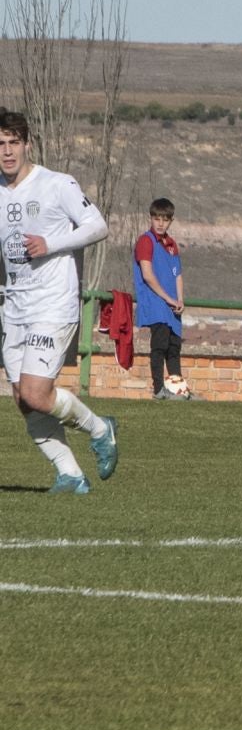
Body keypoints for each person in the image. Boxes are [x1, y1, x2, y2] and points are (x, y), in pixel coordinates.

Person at [0, 108, 118, 492]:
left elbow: (98, 225)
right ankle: (70, 474)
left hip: (52, 301)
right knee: (23, 399)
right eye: (0, 144)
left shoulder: (56, 184)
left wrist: (51, 244)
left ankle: (101, 429)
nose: (6, 151)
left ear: (27, 144)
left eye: (13, 143)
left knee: (37, 392)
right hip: (13, 306)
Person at [134, 197, 191, 398]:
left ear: (170, 221)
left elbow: (178, 275)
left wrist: (180, 300)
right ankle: (159, 389)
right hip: (156, 303)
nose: (160, 223)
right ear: (151, 218)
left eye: (165, 220)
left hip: (172, 306)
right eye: (157, 218)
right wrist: (168, 298)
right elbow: (148, 275)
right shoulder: (145, 241)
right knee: (159, 346)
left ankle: (179, 390)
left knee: (174, 348)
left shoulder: (171, 245)